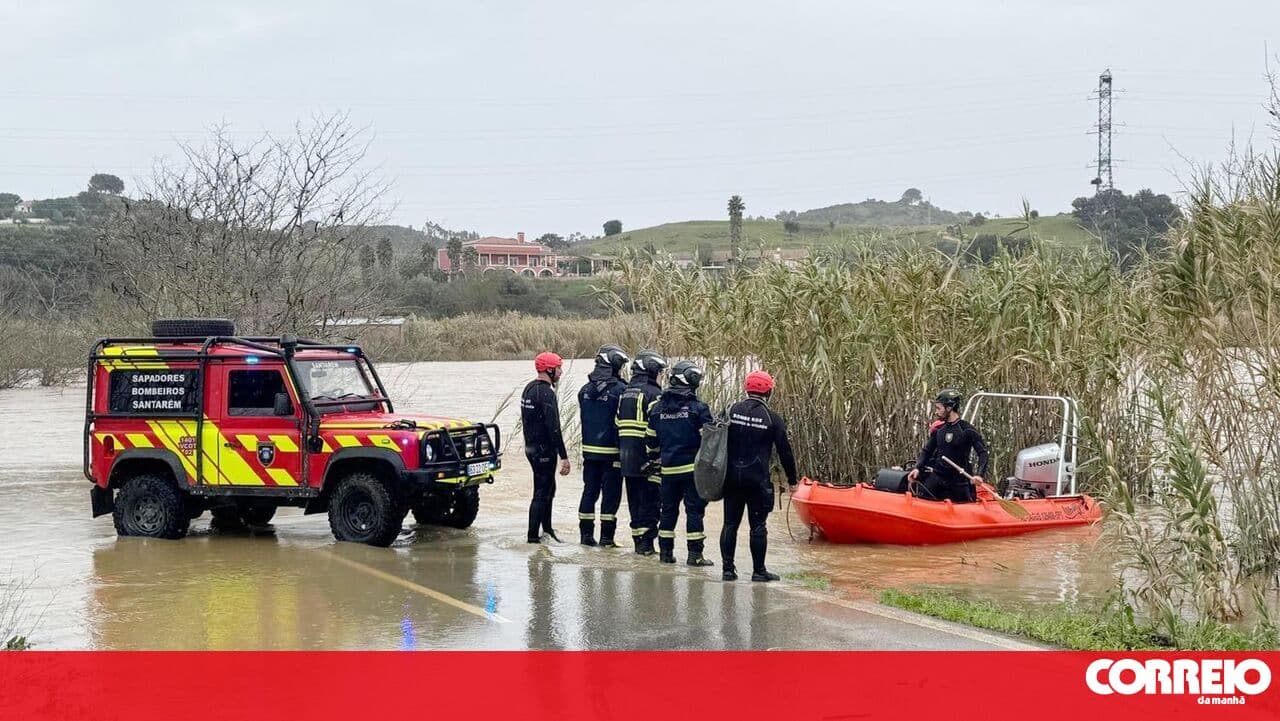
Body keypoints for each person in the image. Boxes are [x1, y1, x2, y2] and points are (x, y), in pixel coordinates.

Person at [719, 370, 797, 582]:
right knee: (758, 526)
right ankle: (759, 571)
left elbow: (714, 439)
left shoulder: (730, 410)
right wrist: (792, 481)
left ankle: (727, 570)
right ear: (769, 391)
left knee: (730, 524)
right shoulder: (773, 419)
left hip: (732, 477)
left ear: (747, 388)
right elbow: (785, 452)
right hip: (757, 480)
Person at [645, 360, 715, 567]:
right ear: (691, 381)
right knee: (694, 512)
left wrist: (656, 457)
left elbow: (650, 441)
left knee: (668, 511)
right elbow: (710, 442)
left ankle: (666, 554)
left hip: (668, 471)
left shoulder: (657, 409)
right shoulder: (698, 409)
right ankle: (695, 556)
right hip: (692, 471)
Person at [576, 344, 629, 547]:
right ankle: (607, 539)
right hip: (612, 454)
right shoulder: (621, 390)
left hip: (589, 453)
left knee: (589, 492)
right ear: (614, 366)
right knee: (611, 495)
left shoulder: (584, 391)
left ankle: (586, 537)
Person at [616, 349, 667, 555]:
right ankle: (646, 545)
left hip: (627, 459)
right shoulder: (654, 394)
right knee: (650, 503)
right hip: (648, 459)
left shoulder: (625, 392)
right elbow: (658, 427)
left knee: (635, 502)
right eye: (660, 372)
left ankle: (638, 543)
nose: (662, 376)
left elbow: (617, 423)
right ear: (652, 370)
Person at [521, 352, 571, 543]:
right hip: (543, 450)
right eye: (558, 368)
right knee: (542, 493)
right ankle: (533, 538)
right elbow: (554, 427)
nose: (560, 372)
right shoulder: (546, 393)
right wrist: (564, 456)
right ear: (549, 369)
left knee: (549, 488)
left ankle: (547, 530)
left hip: (531, 449)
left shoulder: (529, 388)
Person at [906, 389, 989, 503]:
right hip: (938, 477)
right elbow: (927, 451)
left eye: (939, 408)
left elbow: (983, 453)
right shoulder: (939, 431)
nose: (936, 412)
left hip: (959, 480)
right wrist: (917, 468)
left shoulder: (967, 430)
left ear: (949, 408)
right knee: (921, 497)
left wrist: (979, 475)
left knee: (963, 506)